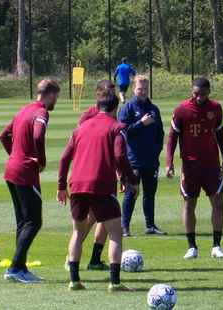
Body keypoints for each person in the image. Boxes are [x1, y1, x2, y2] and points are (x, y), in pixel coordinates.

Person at [57, 92, 139, 292]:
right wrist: (131, 179)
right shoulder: (116, 127)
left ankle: (74, 280)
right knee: (115, 233)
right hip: (101, 185)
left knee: (77, 231)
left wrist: (61, 186)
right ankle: (115, 282)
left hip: (76, 185)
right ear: (115, 109)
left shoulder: (80, 128)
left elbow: (64, 158)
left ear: (97, 106)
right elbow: (120, 155)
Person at [0, 79, 60, 283]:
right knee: (34, 221)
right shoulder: (41, 112)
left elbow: (3, 136)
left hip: (11, 170)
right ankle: (15, 268)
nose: (55, 102)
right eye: (56, 97)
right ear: (50, 94)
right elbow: (38, 134)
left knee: (23, 222)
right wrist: (40, 160)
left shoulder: (23, 110)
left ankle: (21, 268)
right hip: (25, 172)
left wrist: (15, 154)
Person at [165, 77, 223, 259]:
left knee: (218, 203)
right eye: (195, 94)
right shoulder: (181, 110)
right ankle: (191, 246)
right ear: (191, 91)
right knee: (189, 204)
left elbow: (221, 134)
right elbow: (172, 138)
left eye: (202, 94)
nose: (199, 98)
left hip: (211, 165)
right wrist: (169, 162)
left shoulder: (216, 108)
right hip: (190, 166)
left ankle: (216, 246)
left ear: (209, 92)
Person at [63, 80, 117, 272]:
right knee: (90, 220)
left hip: (106, 173)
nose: (110, 95)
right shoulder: (89, 115)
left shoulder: (114, 111)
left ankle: (94, 258)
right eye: (106, 92)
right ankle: (72, 258)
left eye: (112, 91)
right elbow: (80, 141)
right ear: (97, 94)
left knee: (102, 219)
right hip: (89, 172)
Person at [118, 75, 166, 236]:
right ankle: (124, 227)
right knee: (131, 193)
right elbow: (122, 132)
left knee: (150, 194)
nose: (143, 92)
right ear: (133, 89)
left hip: (151, 160)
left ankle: (150, 226)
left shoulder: (154, 109)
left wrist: (157, 150)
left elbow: (160, 133)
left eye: (145, 89)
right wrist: (140, 124)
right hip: (133, 160)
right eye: (140, 89)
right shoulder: (128, 108)